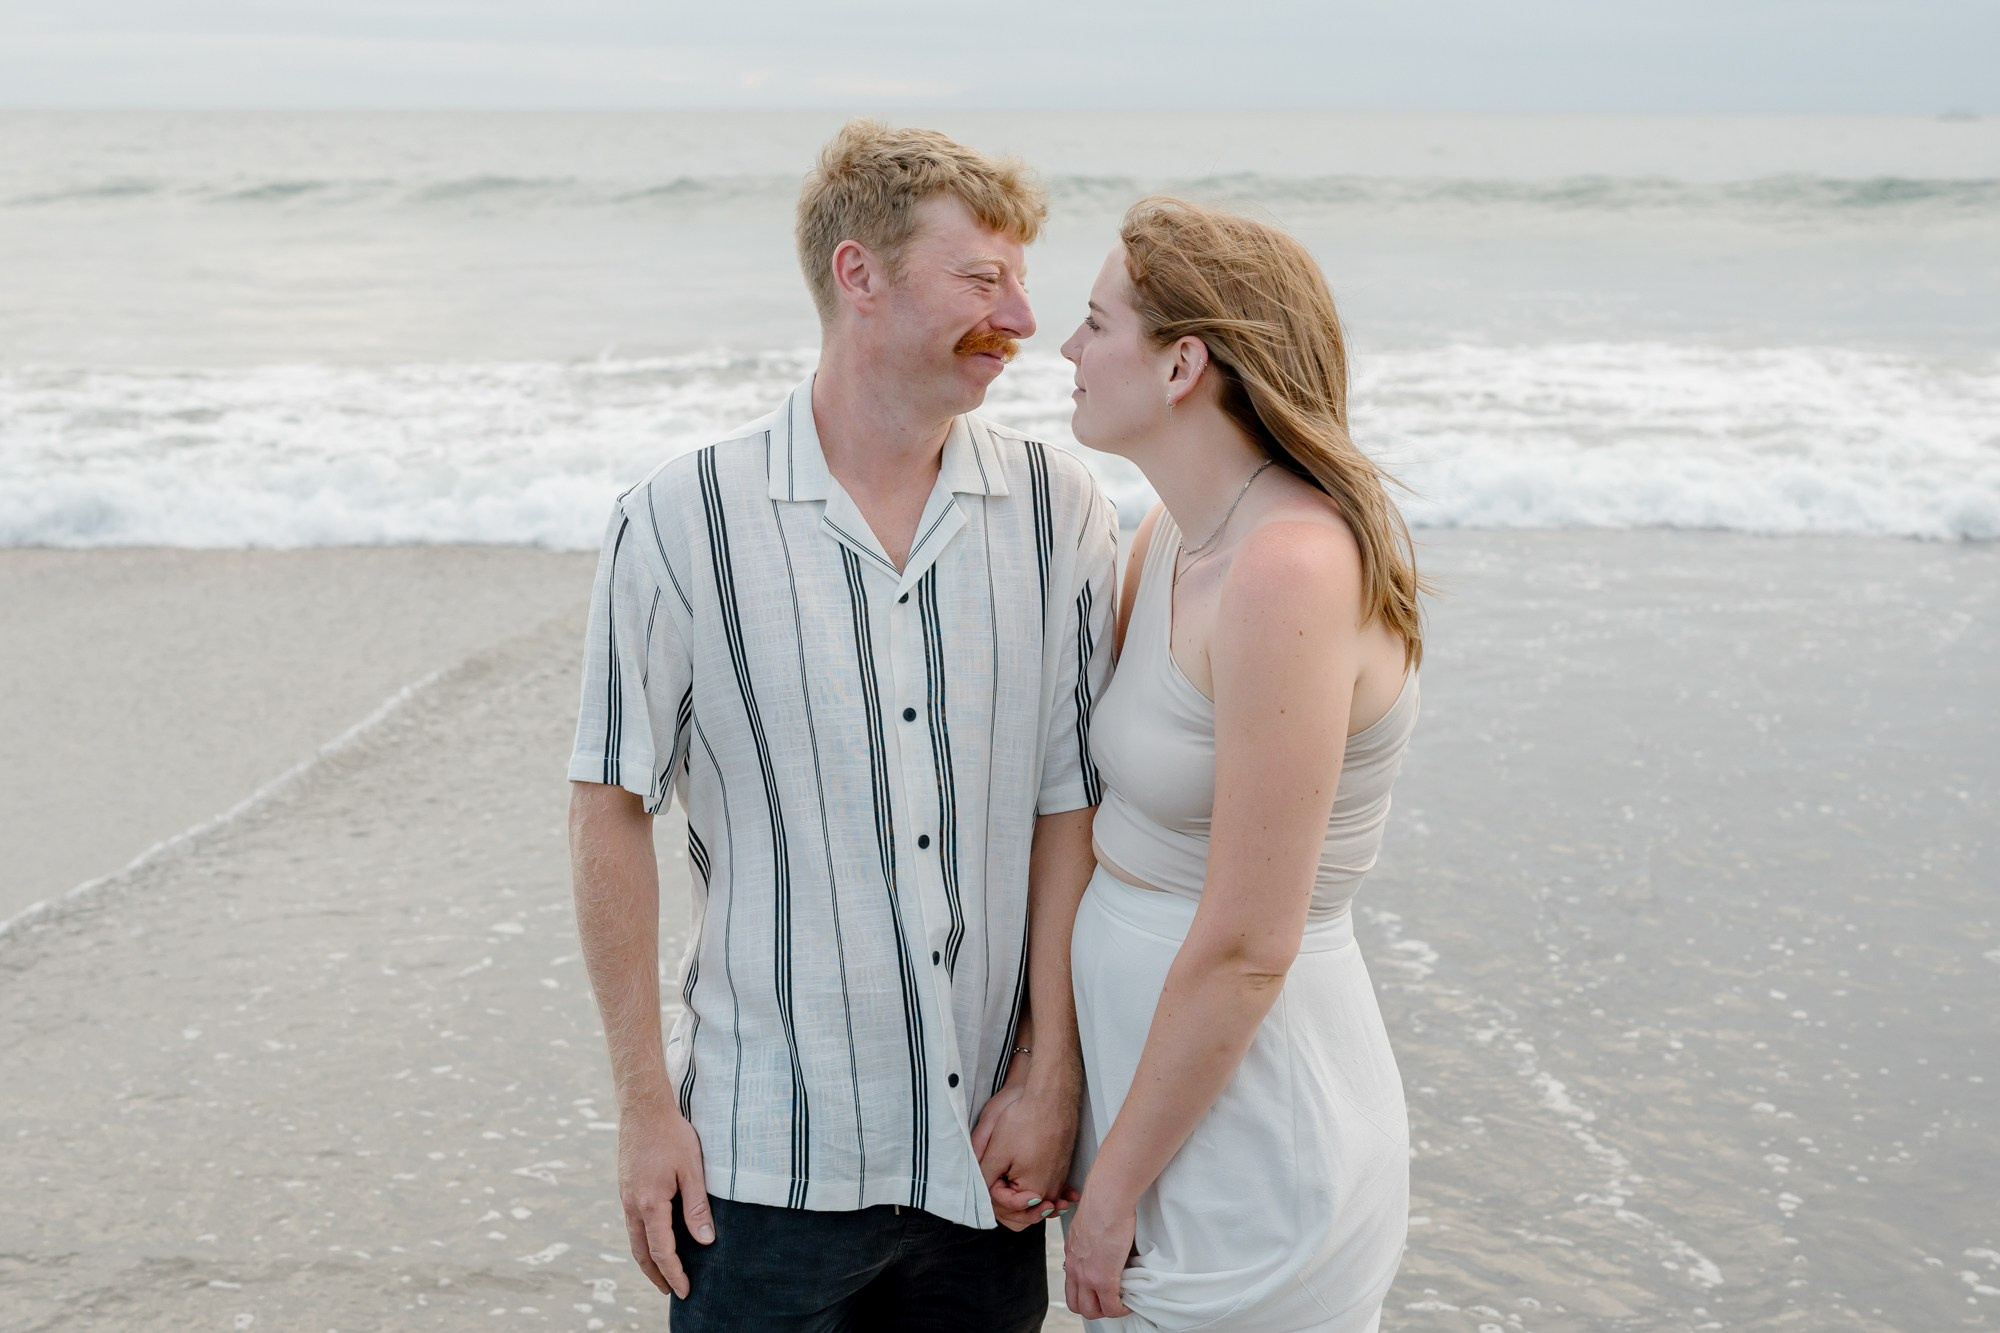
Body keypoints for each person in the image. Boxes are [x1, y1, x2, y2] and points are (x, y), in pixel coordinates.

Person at [566, 119, 1116, 1330]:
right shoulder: (677, 519)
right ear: (858, 275)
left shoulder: (1058, 510)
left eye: (1021, 281)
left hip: (987, 1163)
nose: (1021, 318)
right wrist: (642, 1106)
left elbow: (1068, 807)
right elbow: (609, 803)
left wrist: (1051, 1077)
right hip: (760, 1165)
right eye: (982, 278)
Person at [1056, 198, 1427, 1331]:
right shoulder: (1167, 534)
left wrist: (1109, 1192)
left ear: (1181, 364)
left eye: (1092, 322)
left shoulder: (1289, 571)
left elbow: (1249, 944)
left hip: (1256, 1149)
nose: (1064, 350)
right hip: (1158, 1125)